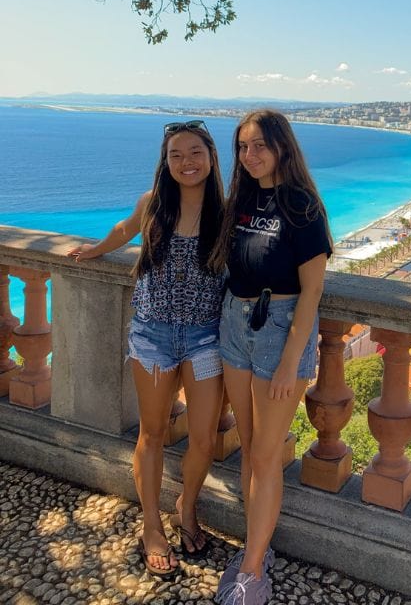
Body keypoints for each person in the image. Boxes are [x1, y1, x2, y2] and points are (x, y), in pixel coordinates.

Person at [67, 120, 226, 577]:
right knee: (151, 434)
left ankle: (187, 507)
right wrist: (96, 248)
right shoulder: (153, 203)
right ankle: (151, 525)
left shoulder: (226, 211)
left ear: (211, 157)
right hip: (153, 335)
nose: (186, 162)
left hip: (205, 337)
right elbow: (124, 229)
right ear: (165, 161)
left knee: (202, 437)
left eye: (195, 152)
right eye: (176, 155)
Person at [213, 110, 332, 605]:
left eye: (260, 144)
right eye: (242, 147)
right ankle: (253, 547)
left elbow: (312, 292)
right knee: (249, 445)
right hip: (234, 324)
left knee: (265, 455)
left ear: (282, 146)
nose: (250, 155)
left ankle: (254, 570)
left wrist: (290, 361)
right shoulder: (242, 199)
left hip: (281, 330)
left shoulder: (303, 206)